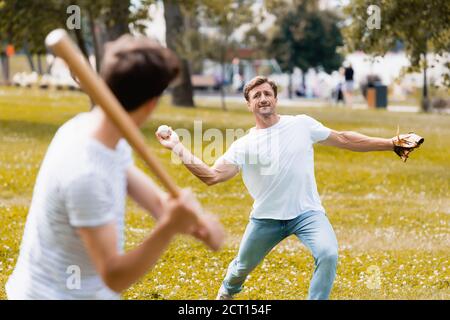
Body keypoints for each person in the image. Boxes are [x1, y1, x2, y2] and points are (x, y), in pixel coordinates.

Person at [6, 35, 223, 300]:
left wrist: (198, 226)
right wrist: (167, 228)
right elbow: (113, 275)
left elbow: (157, 202)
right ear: (152, 104)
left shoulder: (95, 133)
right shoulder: (85, 173)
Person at [156, 76, 410, 300]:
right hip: (266, 218)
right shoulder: (244, 145)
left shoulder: (301, 124)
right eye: (257, 95)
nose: (263, 98)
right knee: (241, 268)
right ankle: (227, 291)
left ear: (276, 98)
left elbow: (344, 138)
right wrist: (177, 147)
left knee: (328, 254)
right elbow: (211, 176)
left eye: (267, 93)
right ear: (249, 104)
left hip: (307, 214)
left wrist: (390, 143)